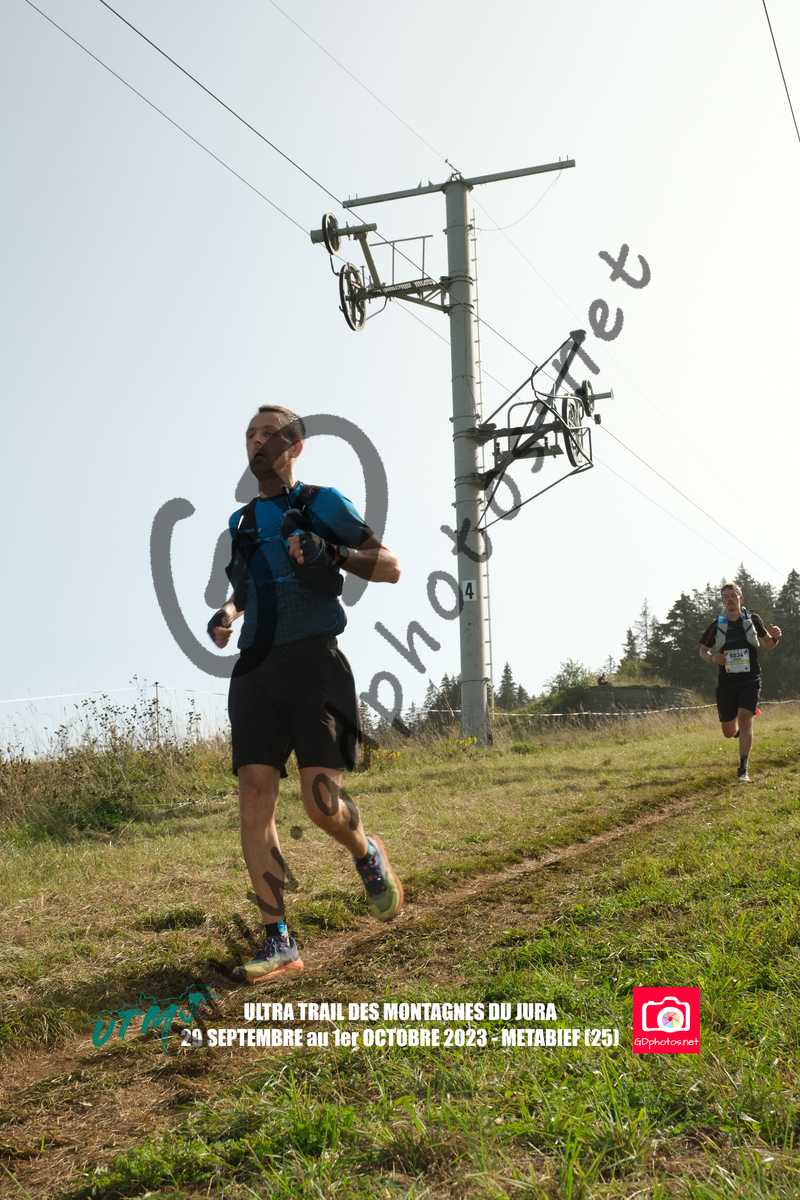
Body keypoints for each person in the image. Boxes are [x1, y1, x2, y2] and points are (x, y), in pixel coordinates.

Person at [206, 404, 404, 984]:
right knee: (254, 795)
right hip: (256, 669)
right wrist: (227, 614)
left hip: (317, 664)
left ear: (295, 446)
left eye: (269, 433)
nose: (257, 441)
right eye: (250, 435)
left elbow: (390, 566)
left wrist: (332, 552)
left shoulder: (323, 503)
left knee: (321, 806)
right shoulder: (242, 523)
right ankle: (279, 940)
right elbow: (243, 589)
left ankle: (366, 852)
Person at [698, 582, 782, 782]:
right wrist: (713, 658)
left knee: (745, 718)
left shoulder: (753, 620)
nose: (729, 600)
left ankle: (743, 769)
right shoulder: (717, 624)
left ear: (740, 598)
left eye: (732, 595)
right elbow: (702, 650)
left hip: (750, 679)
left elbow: (768, 644)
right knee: (728, 732)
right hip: (727, 683)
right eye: (725, 597)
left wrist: (776, 637)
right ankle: (738, 733)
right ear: (723, 601)